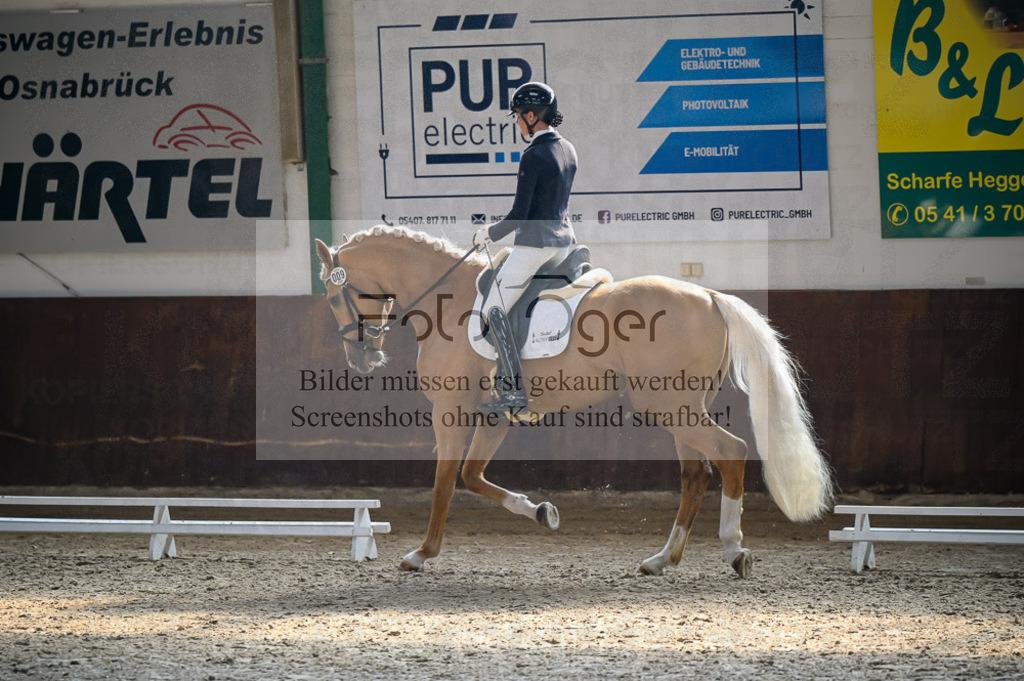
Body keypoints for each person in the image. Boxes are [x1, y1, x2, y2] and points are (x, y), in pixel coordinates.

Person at [473, 82, 578, 412]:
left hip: (535, 245)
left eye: (518, 116)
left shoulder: (534, 155)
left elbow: (520, 213)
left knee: (493, 310)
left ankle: (513, 392)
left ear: (532, 116)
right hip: (563, 244)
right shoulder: (568, 149)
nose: (517, 122)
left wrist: (489, 233)